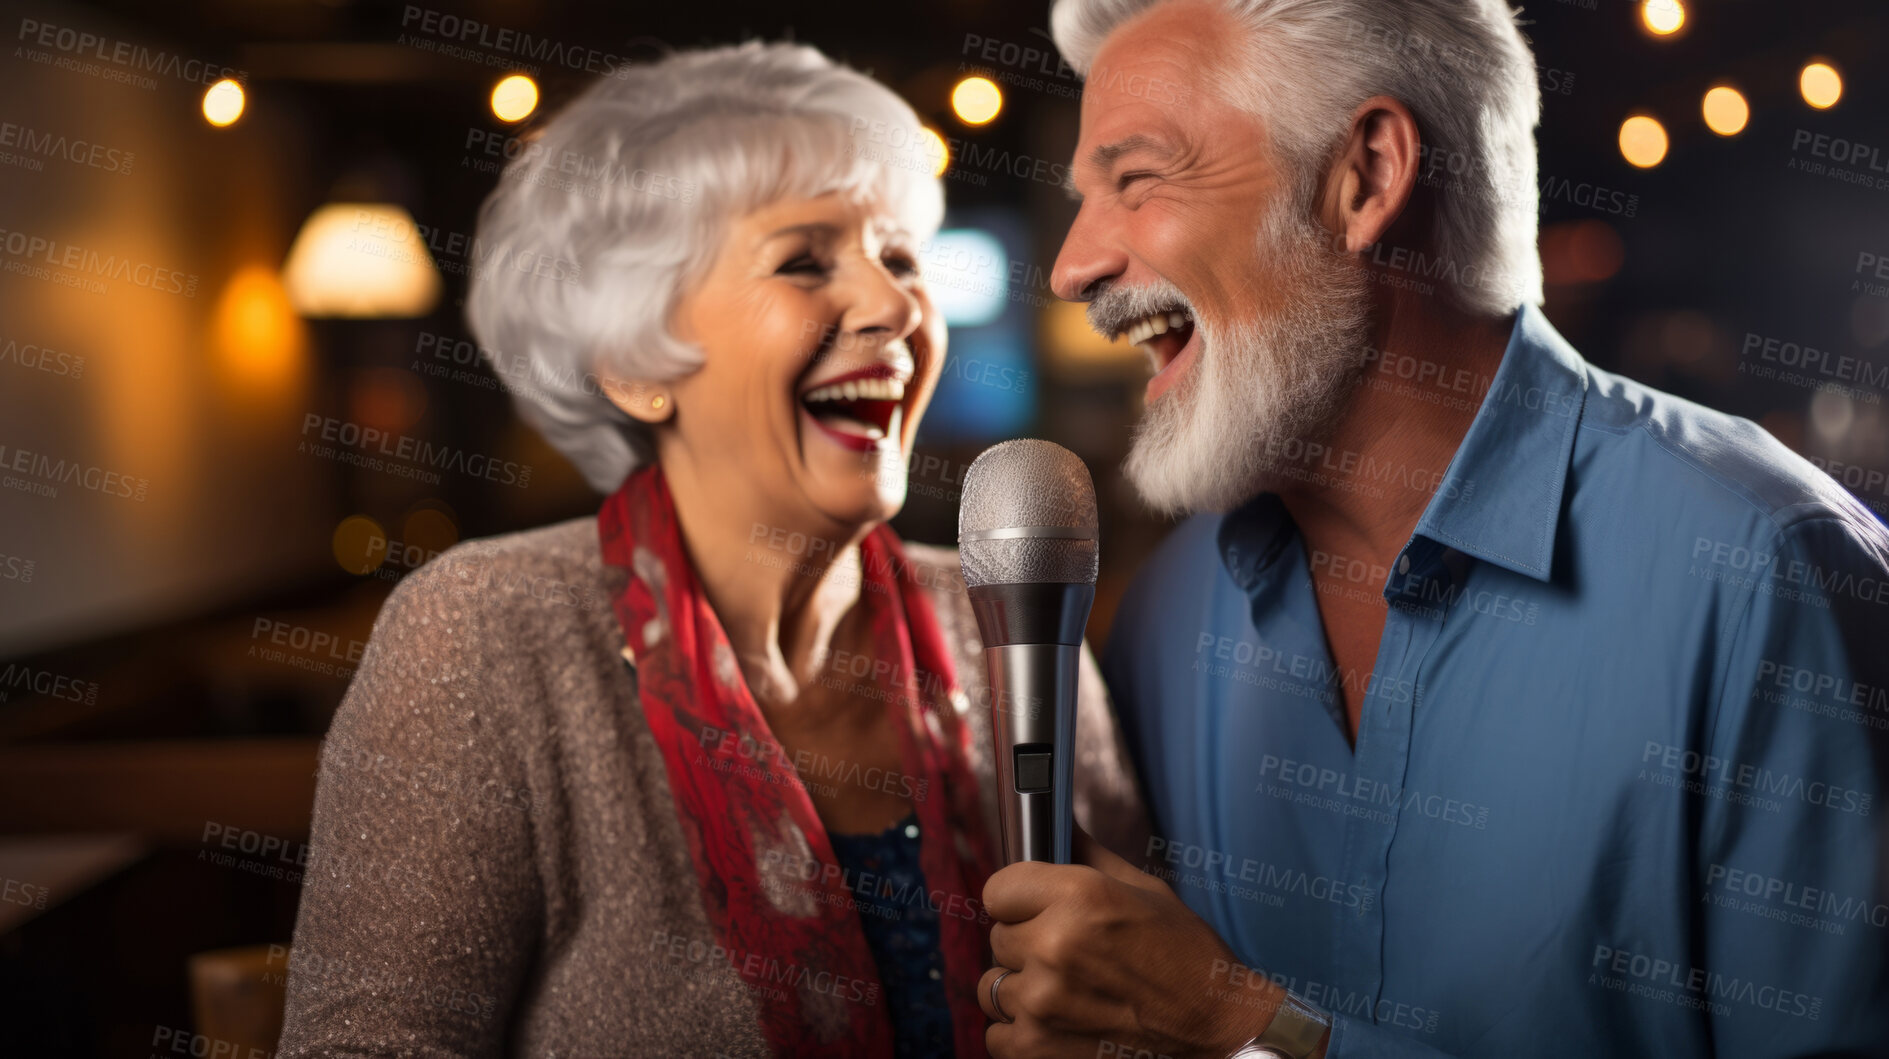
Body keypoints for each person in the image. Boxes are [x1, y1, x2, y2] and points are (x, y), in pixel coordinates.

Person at [973, 1, 1889, 1057]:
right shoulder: (1168, 613)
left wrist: (1238, 1026)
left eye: (1135, 182)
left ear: (1363, 175)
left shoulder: (1766, 572)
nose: (1072, 267)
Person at [274, 41, 1149, 1058]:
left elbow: (1140, 986)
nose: (896, 307)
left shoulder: (1008, 612)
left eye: (900, 258)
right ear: (634, 358)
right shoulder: (480, 634)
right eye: (804, 260)